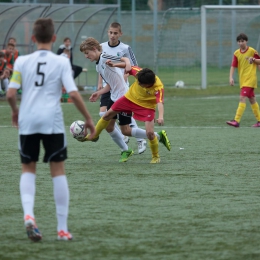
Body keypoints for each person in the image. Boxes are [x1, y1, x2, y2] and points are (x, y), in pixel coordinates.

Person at [6, 18, 96, 242]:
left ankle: (29, 215)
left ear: (33, 39)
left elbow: (10, 93)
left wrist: (15, 111)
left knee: (28, 169)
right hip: (52, 122)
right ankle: (62, 229)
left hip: (27, 121)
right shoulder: (62, 62)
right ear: (54, 38)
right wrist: (88, 118)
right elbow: (73, 94)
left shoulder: (22, 61)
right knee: (58, 171)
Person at [79, 38, 171, 164]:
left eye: (87, 52)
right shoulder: (98, 65)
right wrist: (99, 93)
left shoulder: (105, 56)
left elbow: (125, 59)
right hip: (114, 95)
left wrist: (127, 64)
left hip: (124, 96)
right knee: (112, 127)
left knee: (119, 126)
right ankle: (127, 148)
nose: (86, 56)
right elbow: (111, 84)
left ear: (94, 49)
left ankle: (95, 136)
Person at [98, 22, 147, 154]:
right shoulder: (101, 47)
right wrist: (99, 84)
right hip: (107, 86)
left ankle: (140, 139)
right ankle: (124, 137)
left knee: (120, 114)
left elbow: (133, 66)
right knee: (103, 114)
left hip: (120, 87)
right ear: (108, 32)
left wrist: (125, 78)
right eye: (110, 32)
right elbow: (100, 67)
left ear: (120, 34)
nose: (112, 35)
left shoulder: (125, 48)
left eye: (115, 33)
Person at [226, 33, 260, 128]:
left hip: (250, 79)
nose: (241, 43)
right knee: (252, 100)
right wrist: (231, 77)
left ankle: (236, 120)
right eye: (239, 41)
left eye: (242, 41)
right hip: (243, 80)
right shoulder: (236, 53)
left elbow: (259, 61)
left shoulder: (252, 51)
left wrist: (253, 59)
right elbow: (233, 66)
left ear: (246, 41)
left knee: (242, 97)